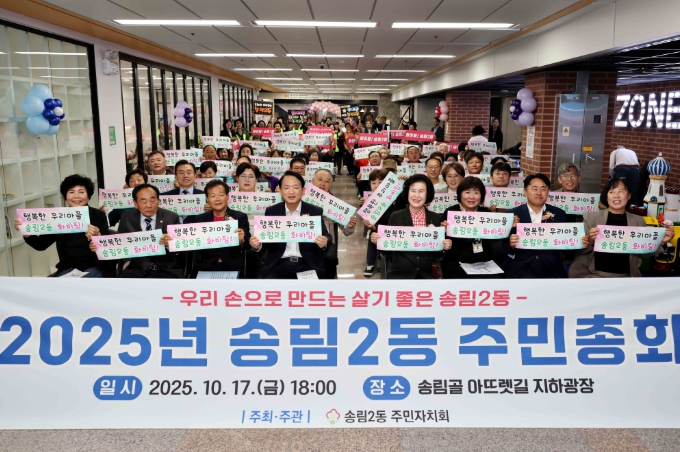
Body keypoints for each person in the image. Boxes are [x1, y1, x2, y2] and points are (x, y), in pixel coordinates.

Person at [569, 177, 674, 278]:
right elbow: (578, 252)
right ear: (606, 196)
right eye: (611, 192)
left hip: (626, 277)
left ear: (629, 196)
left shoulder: (638, 221)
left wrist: (662, 242)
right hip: (593, 275)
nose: (616, 195)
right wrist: (590, 241)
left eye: (621, 191)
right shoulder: (591, 217)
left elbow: (642, 252)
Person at [16, 174, 110, 278]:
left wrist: (98, 235)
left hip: (95, 267)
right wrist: (27, 233)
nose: (76, 196)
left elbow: (108, 248)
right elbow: (41, 245)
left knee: (82, 283)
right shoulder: (58, 217)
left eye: (81, 192)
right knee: (61, 285)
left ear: (88, 196)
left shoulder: (98, 215)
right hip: (67, 269)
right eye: (71, 192)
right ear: (65, 196)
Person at [249, 171, 331, 279]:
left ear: (303, 191)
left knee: (309, 289)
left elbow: (327, 236)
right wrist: (257, 245)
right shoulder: (272, 211)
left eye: (296, 187)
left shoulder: (314, 211)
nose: (291, 192)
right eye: (286, 188)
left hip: (307, 264)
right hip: (278, 264)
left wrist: (325, 241)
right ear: (280, 191)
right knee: (272, 287)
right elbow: (265, 241)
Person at [371, 174, 452, 279]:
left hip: (426, 275)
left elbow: (437, 255)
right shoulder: (396, 216)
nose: (416, 195)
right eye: (413, 191)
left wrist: (444, 247)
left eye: (421, 191)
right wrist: (379, 241)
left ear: (428, 194)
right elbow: (389, 251)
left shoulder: (436, 218)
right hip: (399, 274)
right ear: (407, 192)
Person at [109, 184, 184, 278]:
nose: (149, 205)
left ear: (158, 200)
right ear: (135, 203)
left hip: (166, 269)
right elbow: (119, 245)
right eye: (143, 201)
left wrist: (170, 244)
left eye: (152, 200)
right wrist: (101, 247)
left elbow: (180, 246)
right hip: (137, 270)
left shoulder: (171, 217)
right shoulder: (126, 218)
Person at [504, 174, 568, 279]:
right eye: (534, 189)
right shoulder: (512, 214)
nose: (539, 193)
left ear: (548, 192)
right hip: (522, 267)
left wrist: (578, 242)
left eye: (543, 189)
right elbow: (503, 245)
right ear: (525, 191)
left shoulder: (558, 214)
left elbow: (567, 247)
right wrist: (511, 244)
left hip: (551, 267)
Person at [440, 176, 505, 279]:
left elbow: (495, 243)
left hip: (484, 261)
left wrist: (506, 227)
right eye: (467, 192)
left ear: (481, 196)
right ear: (460, 194)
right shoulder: (451, 212)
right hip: (457, 261)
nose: (471, 197)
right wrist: (442, 231)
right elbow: (444, 243)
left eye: (476, 192)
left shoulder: (487, 213)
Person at [184, 179, 251, 277]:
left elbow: (248, 245)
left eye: (221, 195)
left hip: (232, 267)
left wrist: (242, 240)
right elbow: (191, 244)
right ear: (207, 199)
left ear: (227, 196)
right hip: (205, 268)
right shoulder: (199, 219)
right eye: (213, 196)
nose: (217, 199)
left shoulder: (240, 217)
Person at [312, 169, 357, 279]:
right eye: (320, 180)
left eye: (327, 181)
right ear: (313, 181)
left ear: (331, 184)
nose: (323, 184)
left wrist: (350, 226)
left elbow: (346, 232)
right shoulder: (301, 200)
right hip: (305, 247)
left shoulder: (335, 204)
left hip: (328, 250)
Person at [362, 169, 396, 277]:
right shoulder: (369, 202)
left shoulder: (396, 197)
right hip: (380, 229)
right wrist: (373, 227)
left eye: (381, 183)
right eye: (373, 183)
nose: (377, 186)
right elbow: (373, 222)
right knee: (373, 235)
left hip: (395, 229)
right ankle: (371, 264)